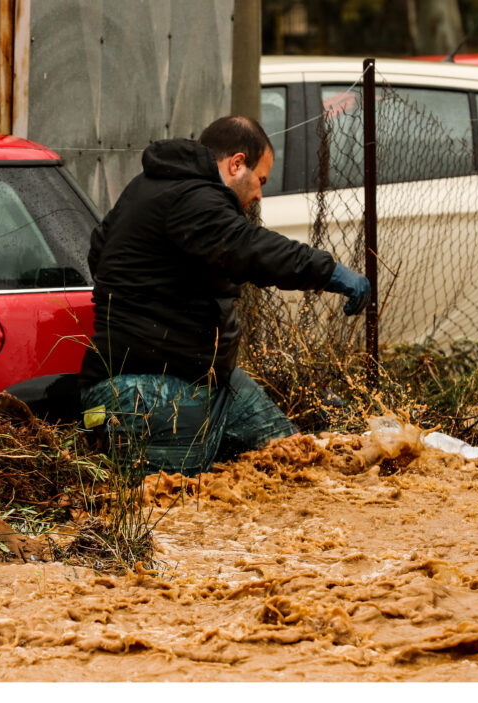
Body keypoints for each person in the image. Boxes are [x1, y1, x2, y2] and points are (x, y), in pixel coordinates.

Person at [78, 115, 370, 477]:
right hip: (142, 388)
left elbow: (98, 253)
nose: (260, 194)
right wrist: (329, 272)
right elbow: (248, 247)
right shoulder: (190, 198)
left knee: (299, 468)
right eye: (260, 180)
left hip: (209, 379)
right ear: (236, 164)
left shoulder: (150, 189)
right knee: (170, 509)